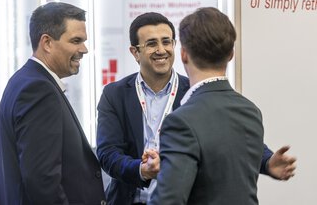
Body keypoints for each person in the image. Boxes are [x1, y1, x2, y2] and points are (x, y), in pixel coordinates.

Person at [96, 12, 296, 205]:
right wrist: (141, 170)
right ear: (135, 52)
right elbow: (107, 152)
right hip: (130, 197)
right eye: (151, 43)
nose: (161, 50)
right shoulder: (115, 94)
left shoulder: (197, 92)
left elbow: (231, 133)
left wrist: (267, 161)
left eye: (166, 42)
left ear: (178, 49)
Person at [0, 2, 106, 205]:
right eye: (76, 41)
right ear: (47, 43)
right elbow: (42, 181)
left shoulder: (24, 80)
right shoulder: (39, 90)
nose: (84, 49)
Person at [149, 7, 262, 204]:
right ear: (231, 54)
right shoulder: (251, 111)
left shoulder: (181, 122)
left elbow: (168, 200)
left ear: (183, 54)